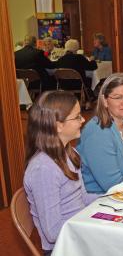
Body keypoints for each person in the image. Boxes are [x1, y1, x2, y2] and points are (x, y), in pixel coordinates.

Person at [23, 91, 98, 255]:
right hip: (63, 247)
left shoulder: (71, 154)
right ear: (58, 125)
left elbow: (82, 198)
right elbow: (53, 232)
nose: (83, 119)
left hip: (77, 233)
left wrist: (111, 197)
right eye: (77, 117)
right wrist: (90, 224)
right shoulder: (43, 169)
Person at [77, 73, 123, 194]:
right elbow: (113, 185)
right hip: (101, 200)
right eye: (118, 97)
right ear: (105, 101)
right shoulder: (97, 132)